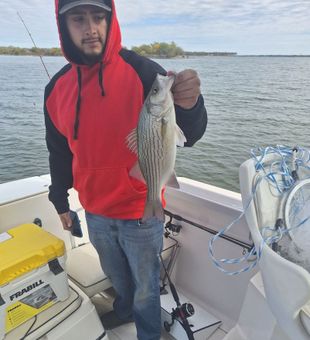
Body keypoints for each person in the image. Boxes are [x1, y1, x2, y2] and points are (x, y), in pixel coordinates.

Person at [44, 0, 207, 339]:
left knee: (146, 287)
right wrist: (60, 200)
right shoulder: (55, 89)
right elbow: (59, 153)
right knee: (117, 278)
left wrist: (190, 105)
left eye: (98, 17)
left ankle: (148, 333)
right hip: (94, 211)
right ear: (64, 26)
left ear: (111, 19)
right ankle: (122, 311)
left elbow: (187, 137)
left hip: (141, 212)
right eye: (78, 19)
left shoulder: (145, 71)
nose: (90, 28)